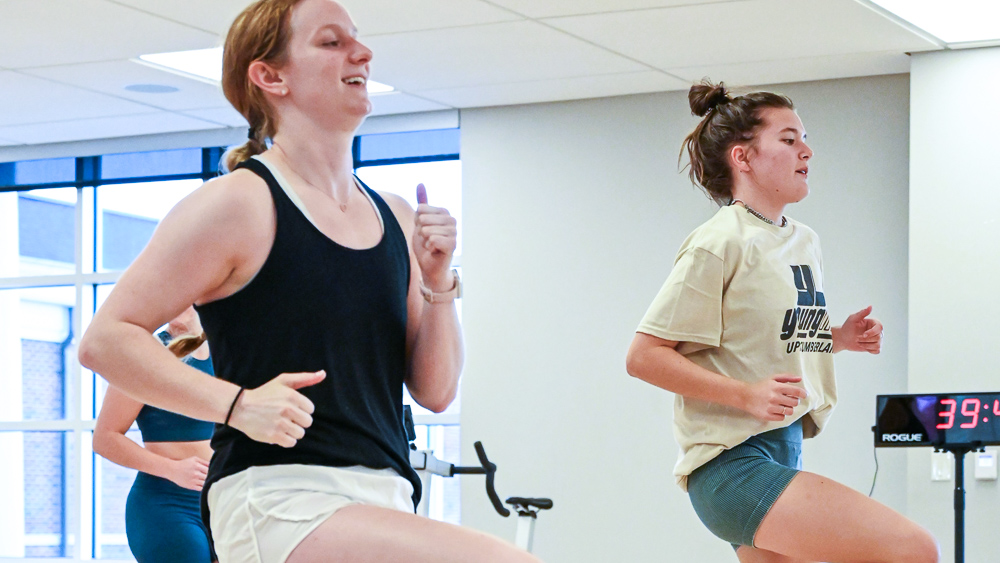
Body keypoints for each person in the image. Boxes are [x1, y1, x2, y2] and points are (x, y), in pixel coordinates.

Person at [78, 1, 539, 562]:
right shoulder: (239, 204)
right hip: (278, 498)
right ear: (271, 77)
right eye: (331, 42)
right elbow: (106, 340)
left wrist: (438, 284)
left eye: (357, 40)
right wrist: (238, 404)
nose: (362, 53)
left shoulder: (393, 215)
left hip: (384, 494)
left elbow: (436, 391)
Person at [625, 80, 940, 563]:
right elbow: (644, 356)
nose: (807, 150)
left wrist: (837, 338)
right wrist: (746, 396)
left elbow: (767, 340)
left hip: (785, 446)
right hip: (731, 464)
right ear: (743, 158)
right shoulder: (719, 241)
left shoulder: (804, 240)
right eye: (789, 139)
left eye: (805, 138)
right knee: (913, 550)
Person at [93, 306, 214, 562]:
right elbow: (104, 438)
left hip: (222, 503)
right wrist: (172, 469)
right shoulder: (143, 356)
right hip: (166, 506)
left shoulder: (225, 349)